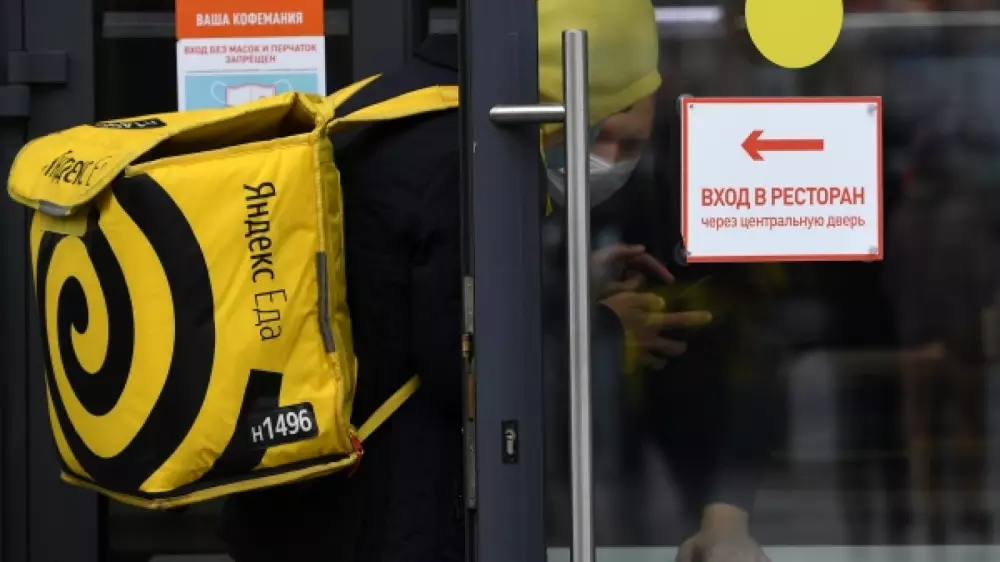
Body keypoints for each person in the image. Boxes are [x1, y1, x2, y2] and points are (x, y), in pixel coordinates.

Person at [221, 0, 769, 560]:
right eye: (603, 114)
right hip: (377, 518)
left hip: (302, 498)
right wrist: (601, 330)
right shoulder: (470, 152)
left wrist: (570, 284)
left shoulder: (379, 107)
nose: (597, 145)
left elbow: (394, 293)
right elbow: (470, 368)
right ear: (573, 72)